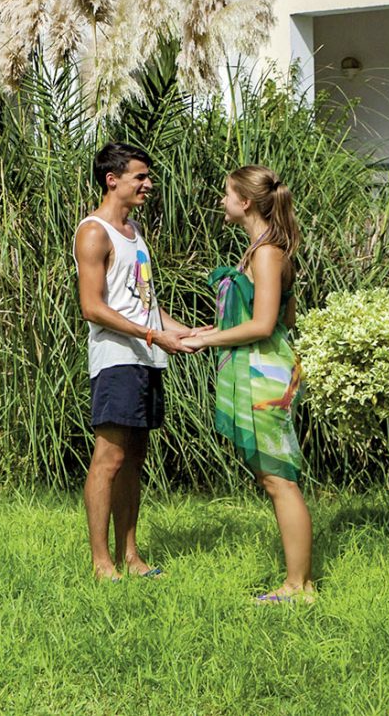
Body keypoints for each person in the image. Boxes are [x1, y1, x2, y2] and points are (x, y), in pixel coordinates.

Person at [75, 142, 207, 581]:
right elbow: (92, 307)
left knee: (134, 461)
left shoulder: (133, 231)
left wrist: (186, 331)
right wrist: (153, 336)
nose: (149, 184)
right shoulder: (94, 232)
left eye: (148, 177)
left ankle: (130, 557)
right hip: (117, 361)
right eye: (140, 177)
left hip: (146, 358)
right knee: (109, 460)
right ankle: (102, 563)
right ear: (112, 180)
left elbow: (145, 305)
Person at [188, 164, 314, 602]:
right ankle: (298, 582)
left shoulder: (266, 253)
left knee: (280, 480)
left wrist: (206, 341)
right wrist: (212, 330)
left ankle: (298, 586)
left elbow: (262, 325)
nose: (222, 201)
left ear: (245, 202)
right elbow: (285, 318)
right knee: (274, 479)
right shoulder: (265, 249)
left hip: (264, 375)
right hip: (264, 369)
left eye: (227, 194)